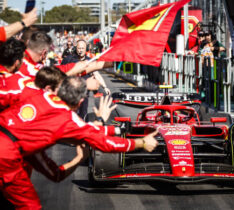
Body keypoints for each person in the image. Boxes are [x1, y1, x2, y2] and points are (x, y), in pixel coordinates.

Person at [0, 74, 158, 209]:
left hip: (17, 143)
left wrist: (103, 123)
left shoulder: (40, 94)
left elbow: (86, 131)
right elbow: (106, 144)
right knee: (30, 206)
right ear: (81, 101)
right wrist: (141, 143)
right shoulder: (68, 119)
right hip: (8, 155)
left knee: (51, 174)